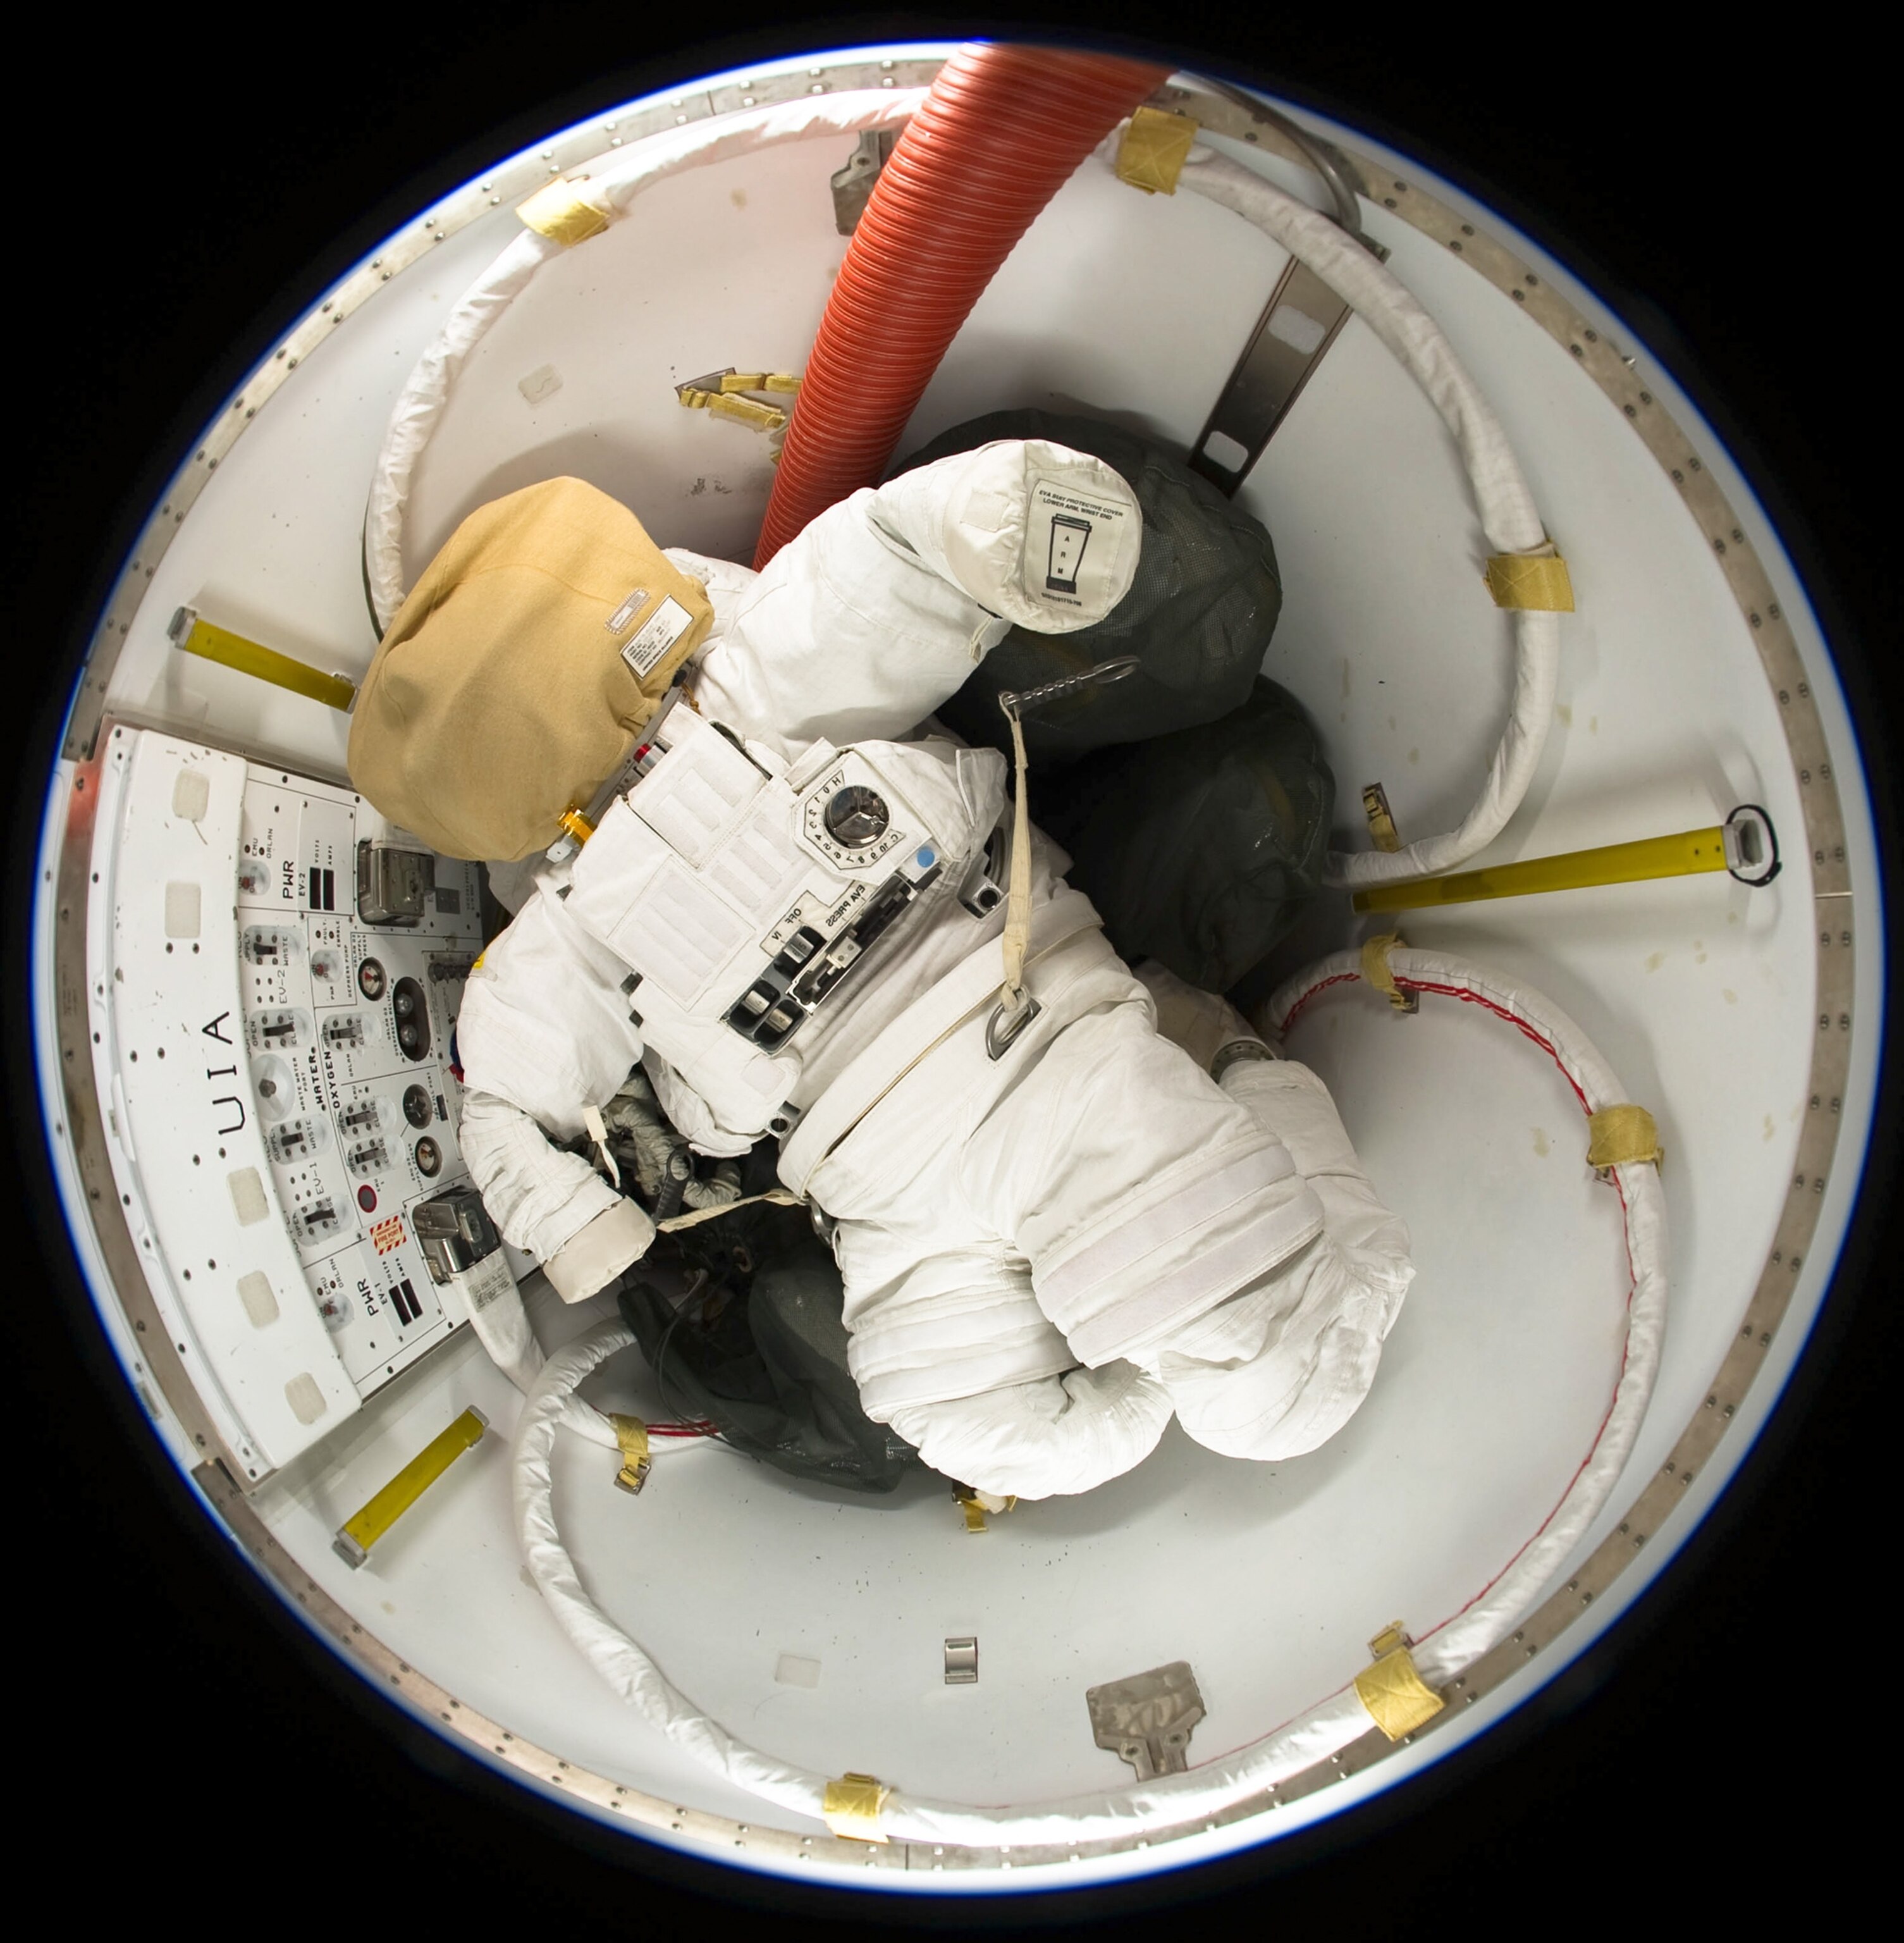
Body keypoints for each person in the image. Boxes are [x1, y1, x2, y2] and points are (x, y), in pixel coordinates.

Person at [348, 440, 1414, 1502]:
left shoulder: (763, 683)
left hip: (1039, 1057)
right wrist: (579, 1227)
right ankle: (1218, 1090)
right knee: (966, 1422)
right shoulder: (565, 927)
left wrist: (1002, 518)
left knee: (1283, 1379)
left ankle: (1230, 1086)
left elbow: (893, 561)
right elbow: (505, 1095)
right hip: (880, 1183)